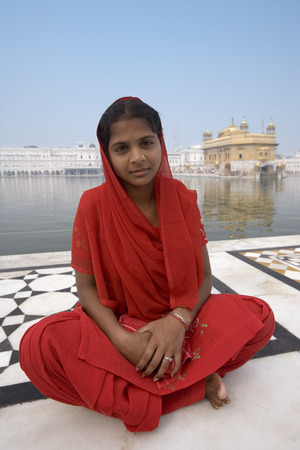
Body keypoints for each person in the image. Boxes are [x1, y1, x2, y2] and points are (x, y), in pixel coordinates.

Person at [20, 97, 275, 432]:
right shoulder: (92, 205)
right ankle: (196, 383)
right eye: (122, 148)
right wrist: (121, 339)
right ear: (107, 154)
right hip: (120, 329)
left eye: (146, 143)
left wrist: (177, 322)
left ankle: (141, 397)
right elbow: (87, 289)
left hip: (182, 322)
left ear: (160, 142)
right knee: (39, 347)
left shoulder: (182, 198)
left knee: (259, 316)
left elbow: (205, 277)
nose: (137, 157)